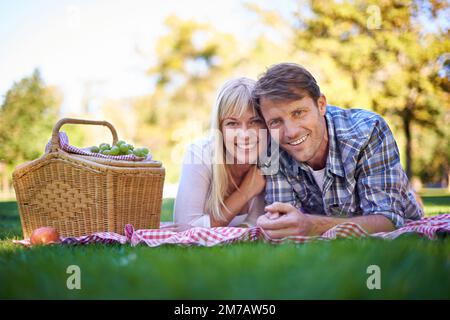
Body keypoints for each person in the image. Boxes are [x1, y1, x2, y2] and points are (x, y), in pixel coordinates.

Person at [252, 63, 424, 238]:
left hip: (406, 216)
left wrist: (311, 225)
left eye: (298, 113)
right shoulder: (271, 148)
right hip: (334, 226)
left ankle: (412, 195)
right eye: (276, 121)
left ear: (321, 104)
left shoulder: (368, 130)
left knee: (405, 205)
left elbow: (389, 221)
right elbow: (285, 224)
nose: (291, 132)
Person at [169, 77, 267, 231]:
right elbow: (184, 229)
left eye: (254, 121)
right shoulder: (200, 154)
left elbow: (257, 226)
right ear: (220, 129)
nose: (245, 134)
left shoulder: (270, 159)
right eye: (232, 123)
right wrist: (245, 192)